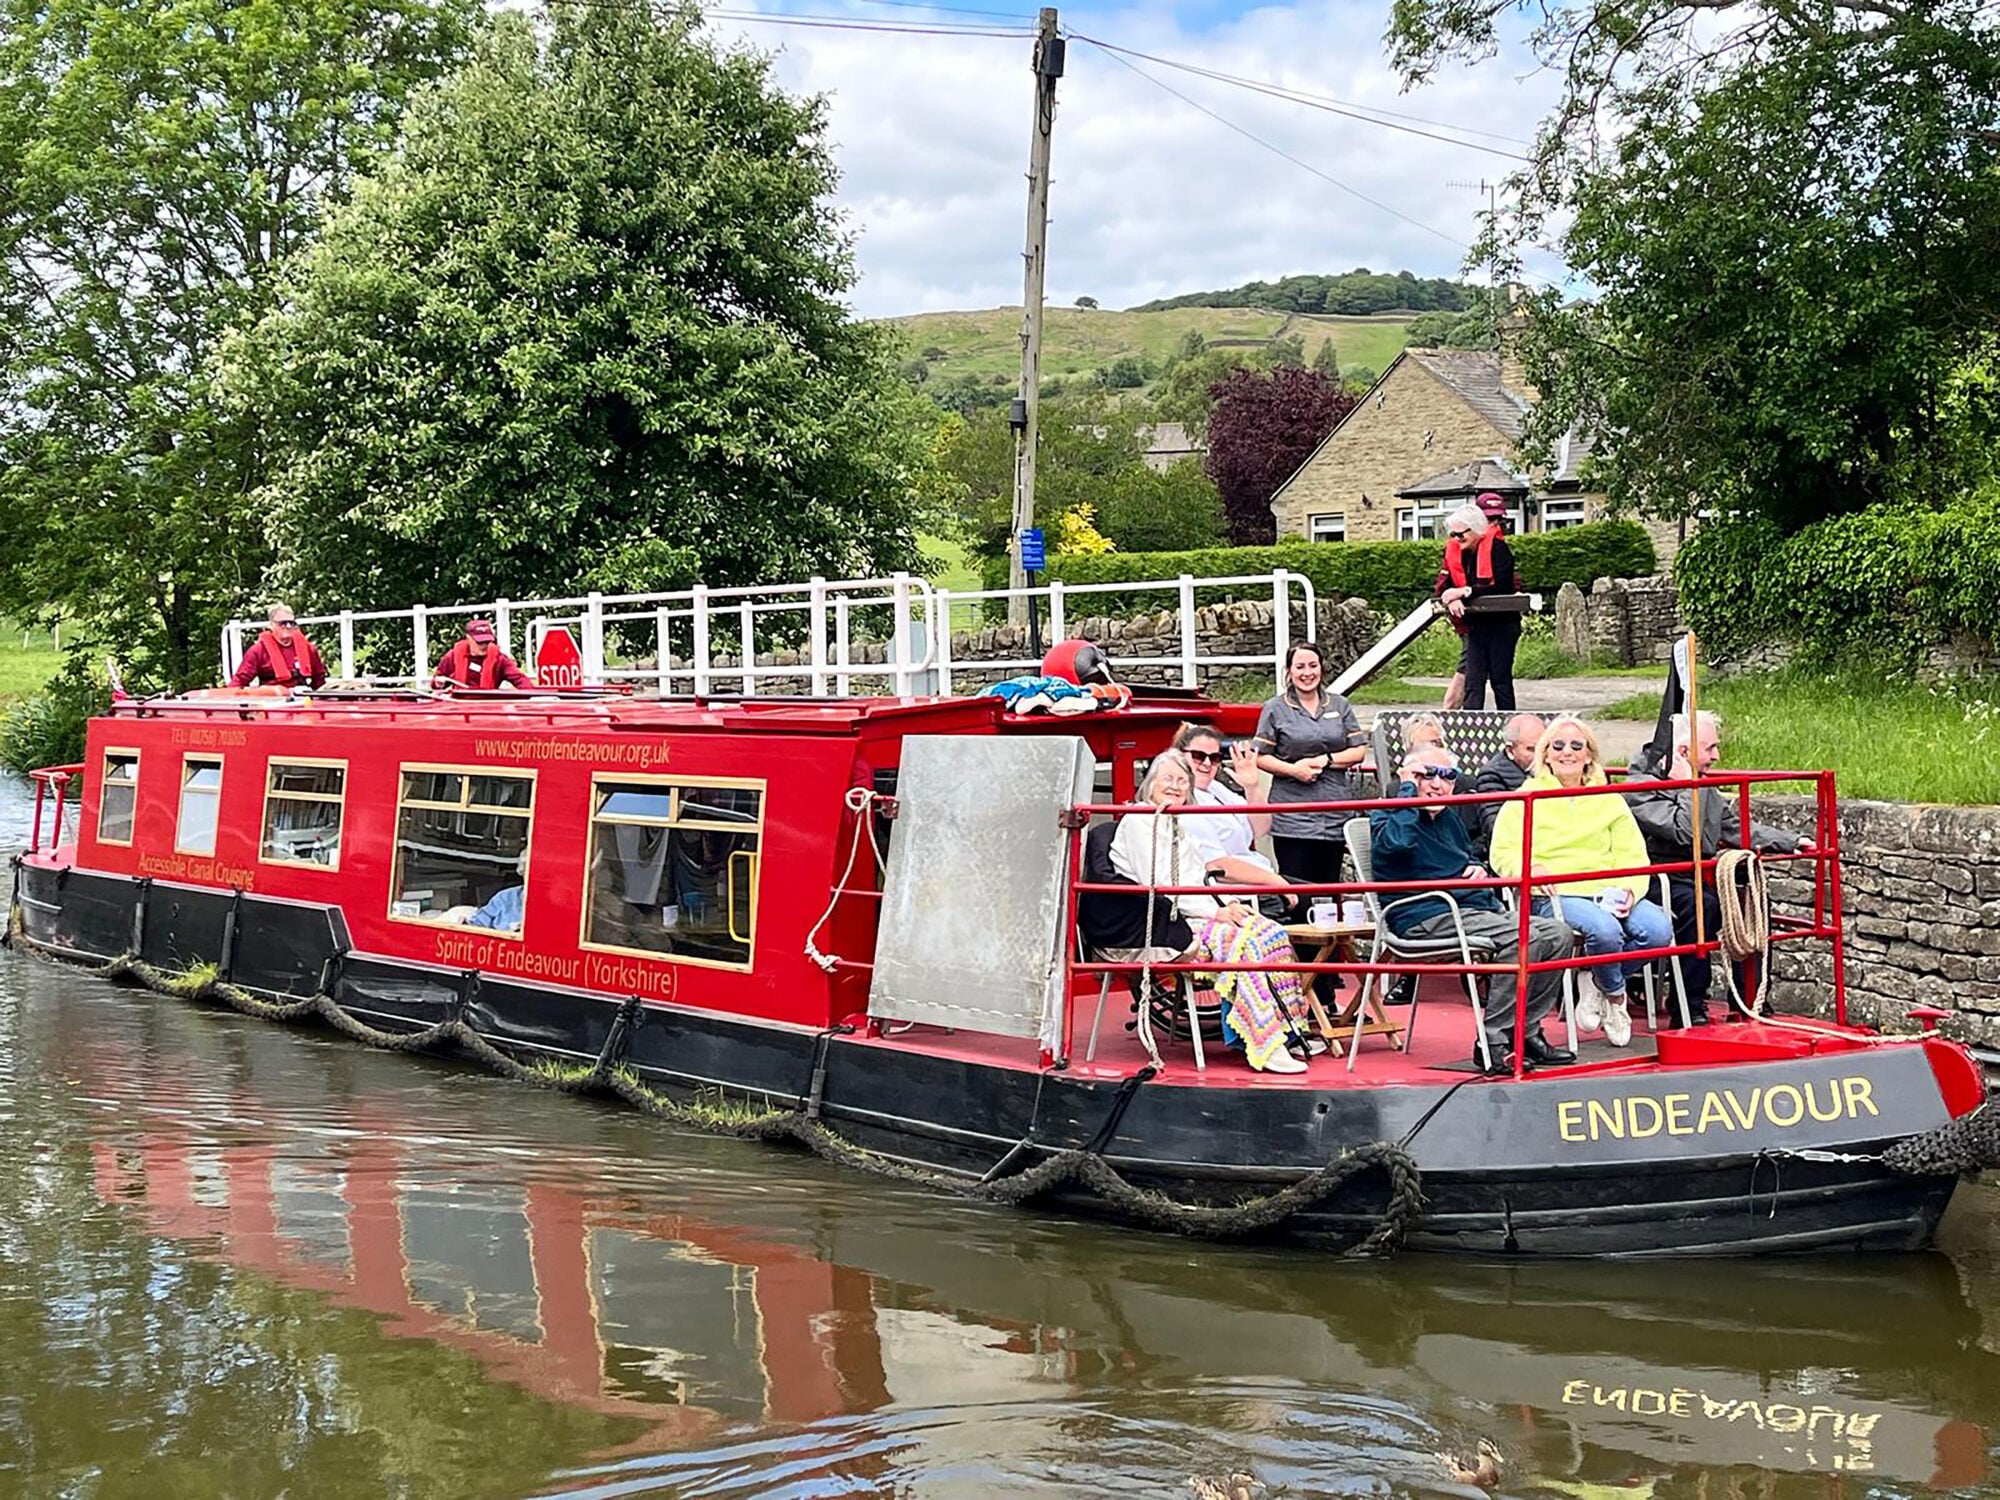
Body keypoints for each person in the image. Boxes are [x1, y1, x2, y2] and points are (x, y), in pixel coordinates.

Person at [1368, 742, 1573, 1074]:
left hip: (1471, 909)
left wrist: (1476, 867)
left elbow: (1465, 856)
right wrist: (1406, 788)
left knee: (1558, 933)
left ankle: (1526, 1030)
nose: (1438, 783)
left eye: (1448, 776)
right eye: (1427, 774)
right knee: (1525, 936)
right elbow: (1398, 844)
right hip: (1423, 914)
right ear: (1410, 778)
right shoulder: (1391, 811)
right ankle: (1493, 1039)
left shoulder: (1449, 818)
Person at [1109, 750, 1316, 1074]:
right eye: (1168, 779)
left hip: (1192, 909)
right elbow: (1162, 884)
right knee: (1243, 943)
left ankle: (1287, 1029)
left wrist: (1228, 903)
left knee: (1270, 932)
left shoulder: (1175, 824)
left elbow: (1196, 876)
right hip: (1162, 920)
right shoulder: (1139, 822)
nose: (1176, 787)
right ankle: (1264, 1042)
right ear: (1150, 786)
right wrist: (1215, 913)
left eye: (1182, 781)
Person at [1489, 716, 1671, 1046]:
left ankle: (1596, 978)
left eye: (1576, 745)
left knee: (1658, 930)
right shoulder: (1524, 798)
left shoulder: (1610, 799)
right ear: (1546, 754)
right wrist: (1531, 868)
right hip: (1558, 892)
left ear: (1589, 754)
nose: (1567, 752)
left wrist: (1630, 888)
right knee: (1604, 930)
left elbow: (1633, 854)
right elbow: (1502, 853)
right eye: (1557, 746)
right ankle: (1616, 996)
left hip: (1610, 888)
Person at [1625, 710, 1814, 1024]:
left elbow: (1731, 826)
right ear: (1684, 752)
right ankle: (1688, 1005)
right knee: (1701, 906)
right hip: (1655, 873)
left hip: (1693, 872)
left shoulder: (1703, 786)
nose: (1717, 756)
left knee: (1751, 898)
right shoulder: (1640, 788)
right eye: (1710, 748)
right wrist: (1689, 784)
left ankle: (1749, 998)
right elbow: (1684, 831)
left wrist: (1790, 840)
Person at [1254, 641, 1370, 895]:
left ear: (1322, 668)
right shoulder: (1274, 708)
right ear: (1289, 671)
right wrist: (1294, 770)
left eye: (1312, 666)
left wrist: (1328, 760)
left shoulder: (1340, 705)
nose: (1307, 673)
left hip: (1334, 810)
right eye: (1300, 667)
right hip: (1292, 816)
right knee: (1298, 891)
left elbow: (1359, 750)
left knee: (1329, 891)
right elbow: (1261, 757)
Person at [1171, 723, 1293, 905]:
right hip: (1234, 890)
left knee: (1321, 897)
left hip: (1257, 878)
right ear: (1181, 757)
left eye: (1214, 758)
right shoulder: (1185, 798)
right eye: (1198, 757)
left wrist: (1252, 787)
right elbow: (1217, 864)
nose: (1206, 763)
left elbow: (1261, 828)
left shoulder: (1217, 789)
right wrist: (1276, 882)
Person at [1436, 494, 1521, 710]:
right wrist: (1451, 598)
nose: (1456, 539)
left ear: (1475, 530)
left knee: (1500, 679)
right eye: (1452, 534)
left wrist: (1465, 592)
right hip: (1476, 625)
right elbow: (1444, 584)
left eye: (1460, 535)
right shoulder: (1458, 552)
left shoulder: (1499, 549)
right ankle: (1471, 731)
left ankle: (1510, 727)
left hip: (1502, 624)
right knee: (1473, 681)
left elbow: (1503, 585)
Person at [1463, 712, 1545, 859]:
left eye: (1544, 747)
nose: (1540, 755)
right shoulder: (1491, 776)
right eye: (1531, 749)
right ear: (1510, 750)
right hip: (1515, 855)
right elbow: (1496, 828)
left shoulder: (1553, 767)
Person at [228, 604, 327, 690]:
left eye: (291, 623)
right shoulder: (258, 651)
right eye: (283, 623)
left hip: (302, 699)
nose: (288, 626)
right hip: (271, 702)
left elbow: (319, 681)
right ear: (271, 625)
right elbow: (239, 681)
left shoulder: (309, 649)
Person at [432, 618, 533, 690]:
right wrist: (438, 683)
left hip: (487, 705)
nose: (484, 646)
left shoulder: (499, 659)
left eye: (487, 642)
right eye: (480, 642)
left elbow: (520, 680)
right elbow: (436, 682)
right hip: (459, 704)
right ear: (469, 638)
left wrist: (534, 697)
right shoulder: (452, 656)